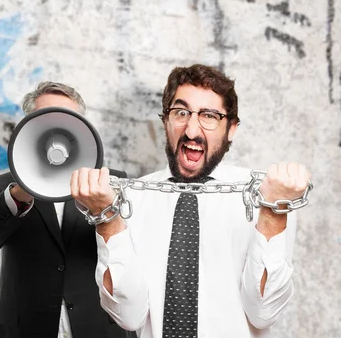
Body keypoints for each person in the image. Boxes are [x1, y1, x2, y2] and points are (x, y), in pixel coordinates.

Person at [70, 64, 312, 338]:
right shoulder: (130, 200)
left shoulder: (268, 198)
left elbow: (264, 312)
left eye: (209, 115)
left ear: (231, 128)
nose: (192, 130)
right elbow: (128, 316)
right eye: (181, 112)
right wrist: (107, 219)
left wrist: (272, 214)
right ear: (165, 120)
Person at [0, 82, 135, 338]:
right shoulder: (3, 187)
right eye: (47, 120)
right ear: (30, 128)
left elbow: (131, 259)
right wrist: (19, 194)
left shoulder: (110, 183)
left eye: (66, 121)